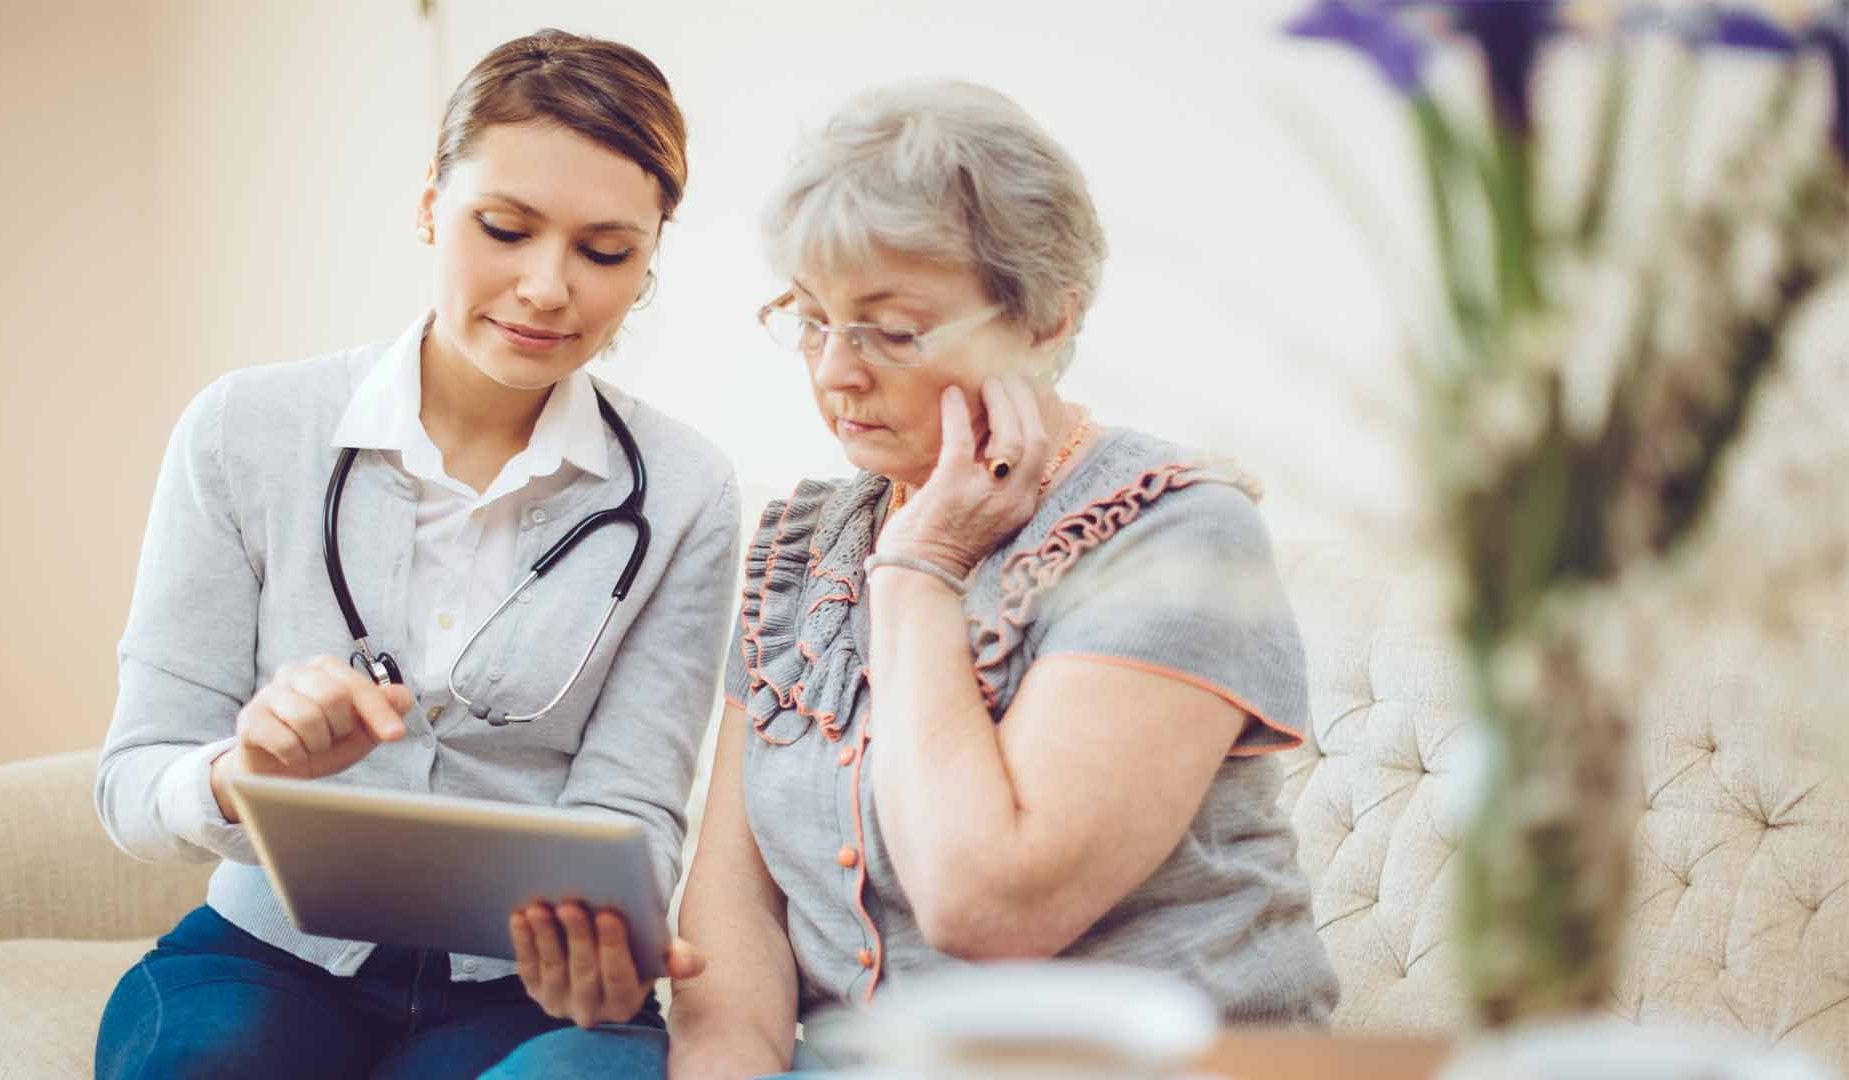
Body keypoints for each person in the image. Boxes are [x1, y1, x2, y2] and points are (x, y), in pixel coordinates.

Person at [661, 79, 1341, 1075]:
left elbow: (988, 904)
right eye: (811, 320)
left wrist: (917, 573)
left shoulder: (1179, 533)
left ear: (1044, 319)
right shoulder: (801, 543)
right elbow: (734, 925)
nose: (836, 373)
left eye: (890, 331)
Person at [93, 29, 733, 1079]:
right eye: (505, 228)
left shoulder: (683, 490)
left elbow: (634, 811)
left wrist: (606, 951)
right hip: (264, 959)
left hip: (520, 995)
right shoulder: (243, 430)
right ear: (431, 202)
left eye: (605, 251)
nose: (545, 287)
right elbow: (131, 786)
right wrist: (240, 772)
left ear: (651, 256)